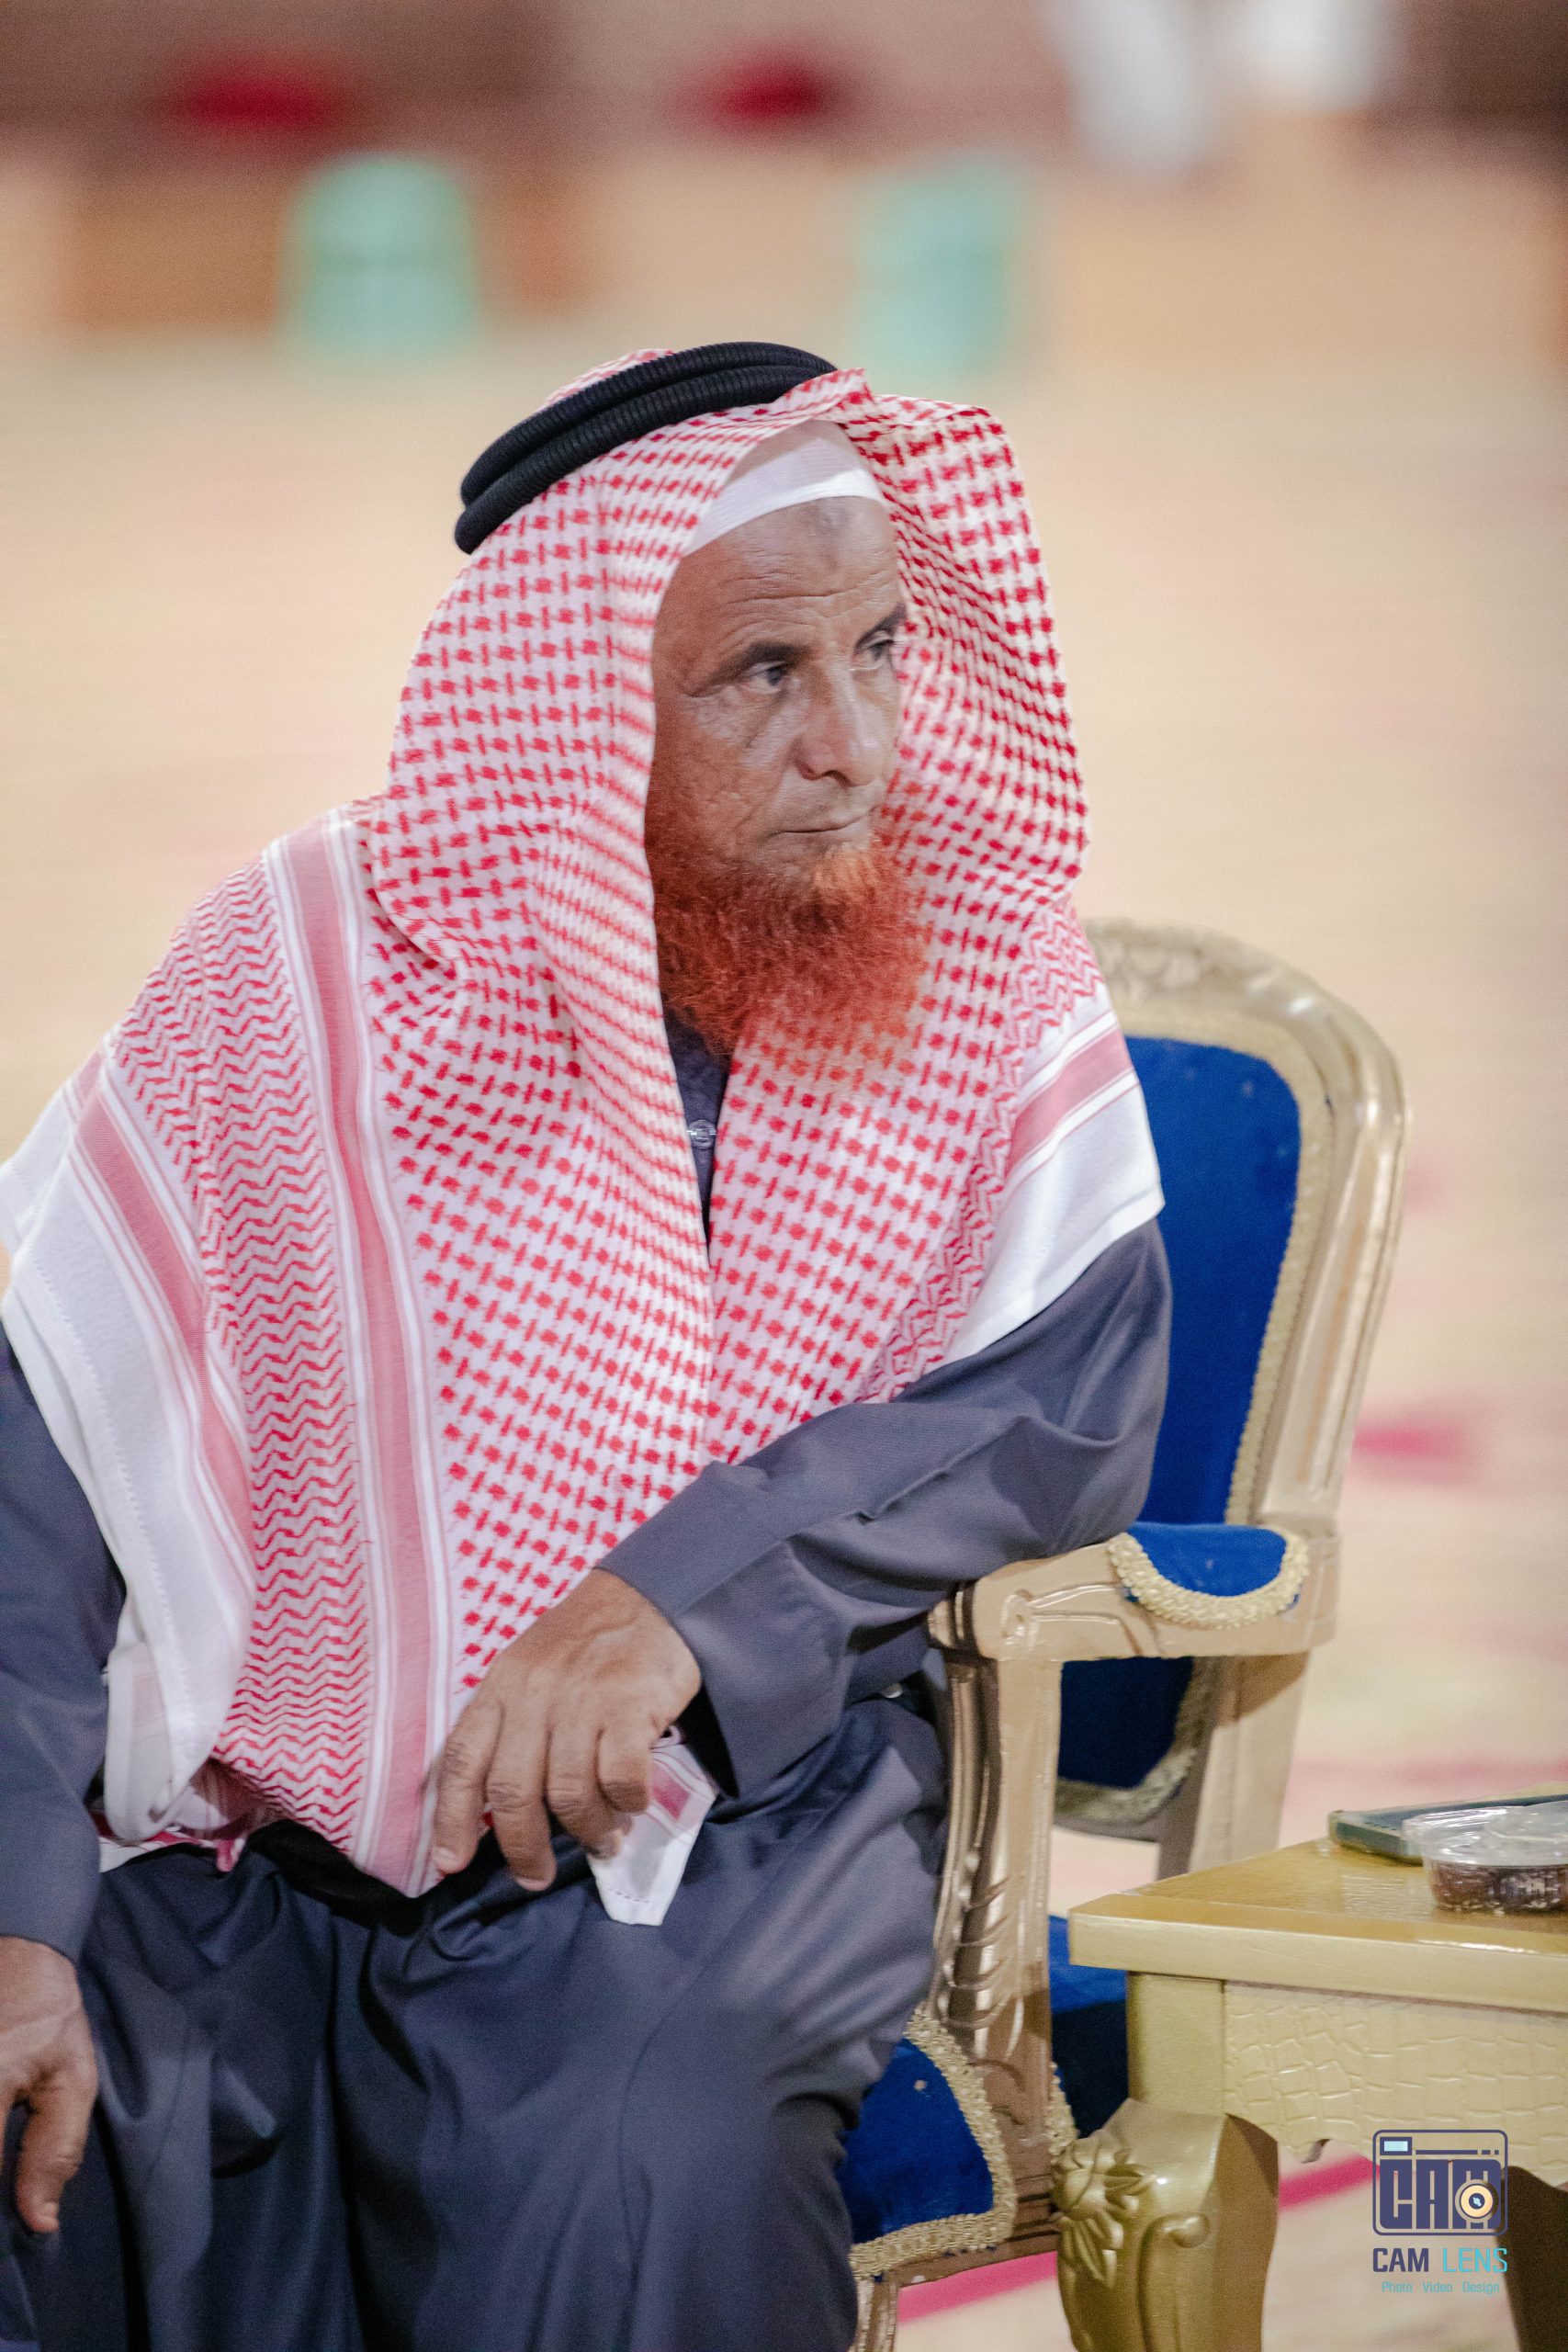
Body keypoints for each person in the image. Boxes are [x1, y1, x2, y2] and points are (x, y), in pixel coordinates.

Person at [0, 343, 1169, 2352]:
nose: (854, 742)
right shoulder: (290, 974)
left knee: (626, 2168)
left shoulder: (978, 956)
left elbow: (1052, 1407)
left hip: (733, 1829)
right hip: (255, 1856)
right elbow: (40, 1460)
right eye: (763, 674)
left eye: (879, 650)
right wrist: (15, 1903)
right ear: (576, 713)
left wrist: (680, 1599)